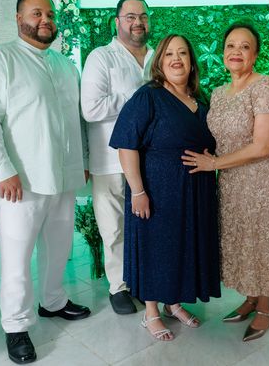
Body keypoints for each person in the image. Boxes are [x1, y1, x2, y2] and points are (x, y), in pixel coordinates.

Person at [0, 0, 91, 365]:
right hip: (20, 180)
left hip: (63, 175)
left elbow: (77, 121)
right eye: (36, 13)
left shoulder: (65, 66)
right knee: (17, 257)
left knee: (59, 248)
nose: (45, 20)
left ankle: (52, 301)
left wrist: (83, 160)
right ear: (19, 18)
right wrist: (1, 168)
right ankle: (16, 326)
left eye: (49, 14)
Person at [181, 22, 269, 342]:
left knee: (262, 243)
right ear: (223, 52)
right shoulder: (218, 94)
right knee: (244, 242)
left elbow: (263, 146)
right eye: (231, 46)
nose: (237, 52)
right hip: (231, 182)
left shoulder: (267, 87)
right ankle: (250, 298)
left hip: (263, 181)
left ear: (255, 54)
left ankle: (265, 308)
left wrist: (213, 164)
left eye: (245, 47)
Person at [109, 34, 221, 341]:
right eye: (169, 54)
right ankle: (151, 312)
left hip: (195, 191)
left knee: (181, 247)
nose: (176, 59)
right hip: (157, 189)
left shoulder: (201, 100)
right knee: (156, 248)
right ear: (159, 61)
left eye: (183, 53)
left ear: (192, 62)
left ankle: (174, 303)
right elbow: (126, 145)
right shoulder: (149, 96)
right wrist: (138, 192)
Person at [80, 0, 154, 315]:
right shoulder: (101, 58)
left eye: (143, 16)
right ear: (117, 21)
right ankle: (118, 286)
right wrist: (138, 98)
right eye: (130, 17)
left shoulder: (156, 56)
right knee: (113, 227)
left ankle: (142, 280)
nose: (138, 22)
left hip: (150, 158)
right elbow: (91, 108)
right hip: (110, 160)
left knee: (146, 223)